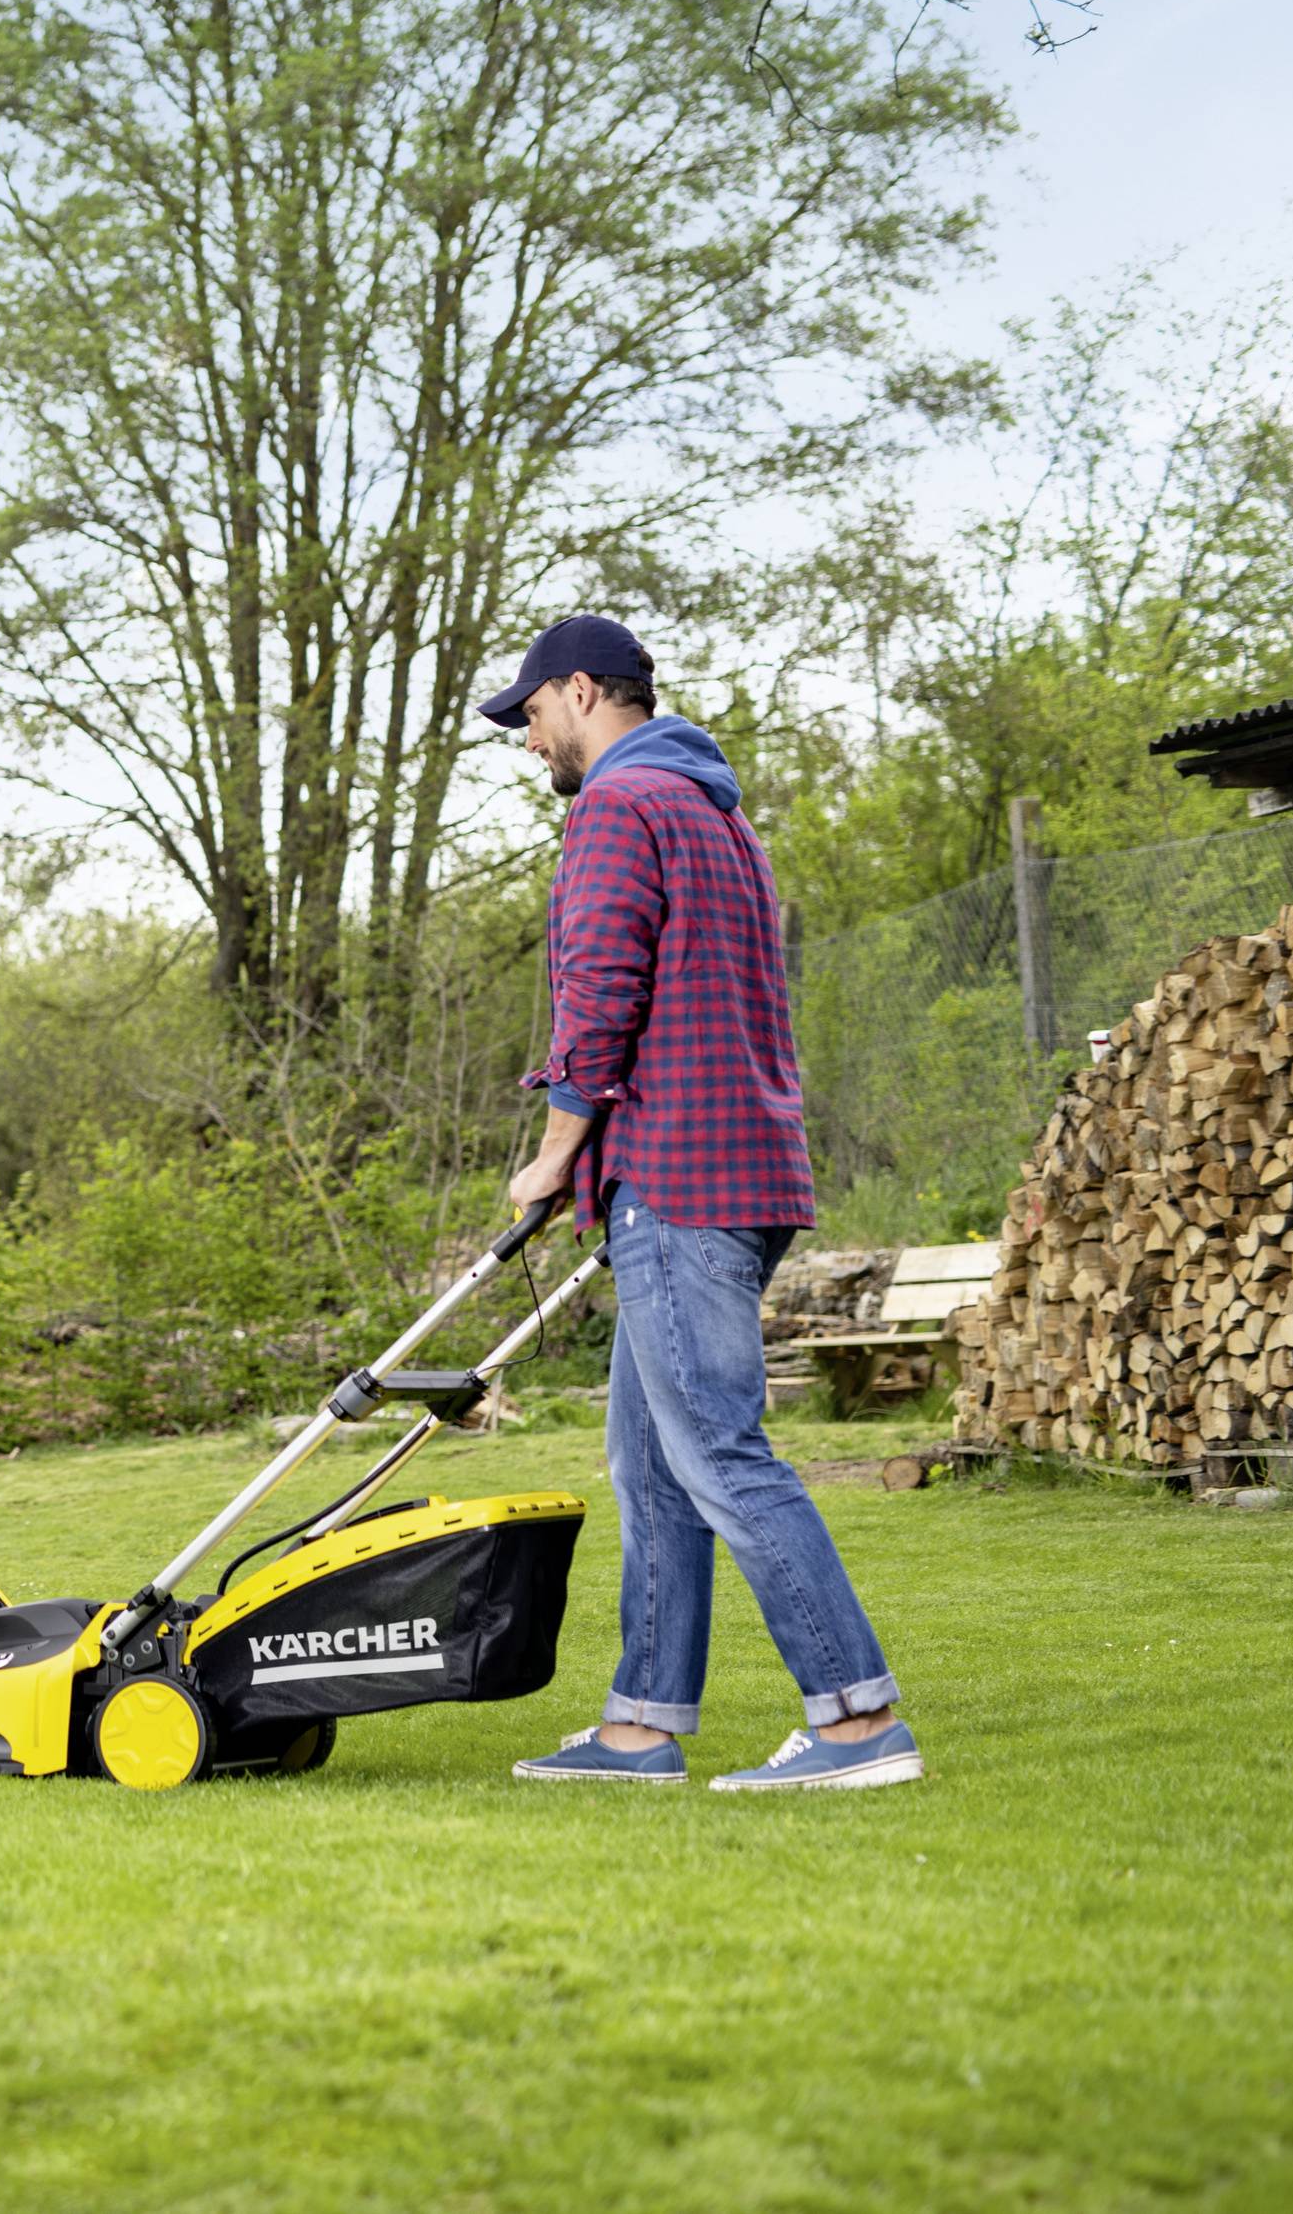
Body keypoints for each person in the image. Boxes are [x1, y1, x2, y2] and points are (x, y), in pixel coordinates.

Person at [481, 614, 921, 1792]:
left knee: (720, 1452)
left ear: (580, 692)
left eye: (529, 715)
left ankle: (854, 1721)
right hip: (744, 1165)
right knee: (651, 1462)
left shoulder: (619, 805)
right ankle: (639, 1726)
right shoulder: (716, 808)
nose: (529, 743)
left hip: (677, 1176)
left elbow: (599, 989)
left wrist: (553, 1148)